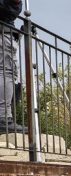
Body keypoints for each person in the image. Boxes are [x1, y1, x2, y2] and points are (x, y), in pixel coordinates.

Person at [0, 0, 25, 133]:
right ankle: (3, 119)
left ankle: (5, 117)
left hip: (6, 34)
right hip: (3, 36)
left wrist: (17, 33)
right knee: (6, 72)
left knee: (8, 74)